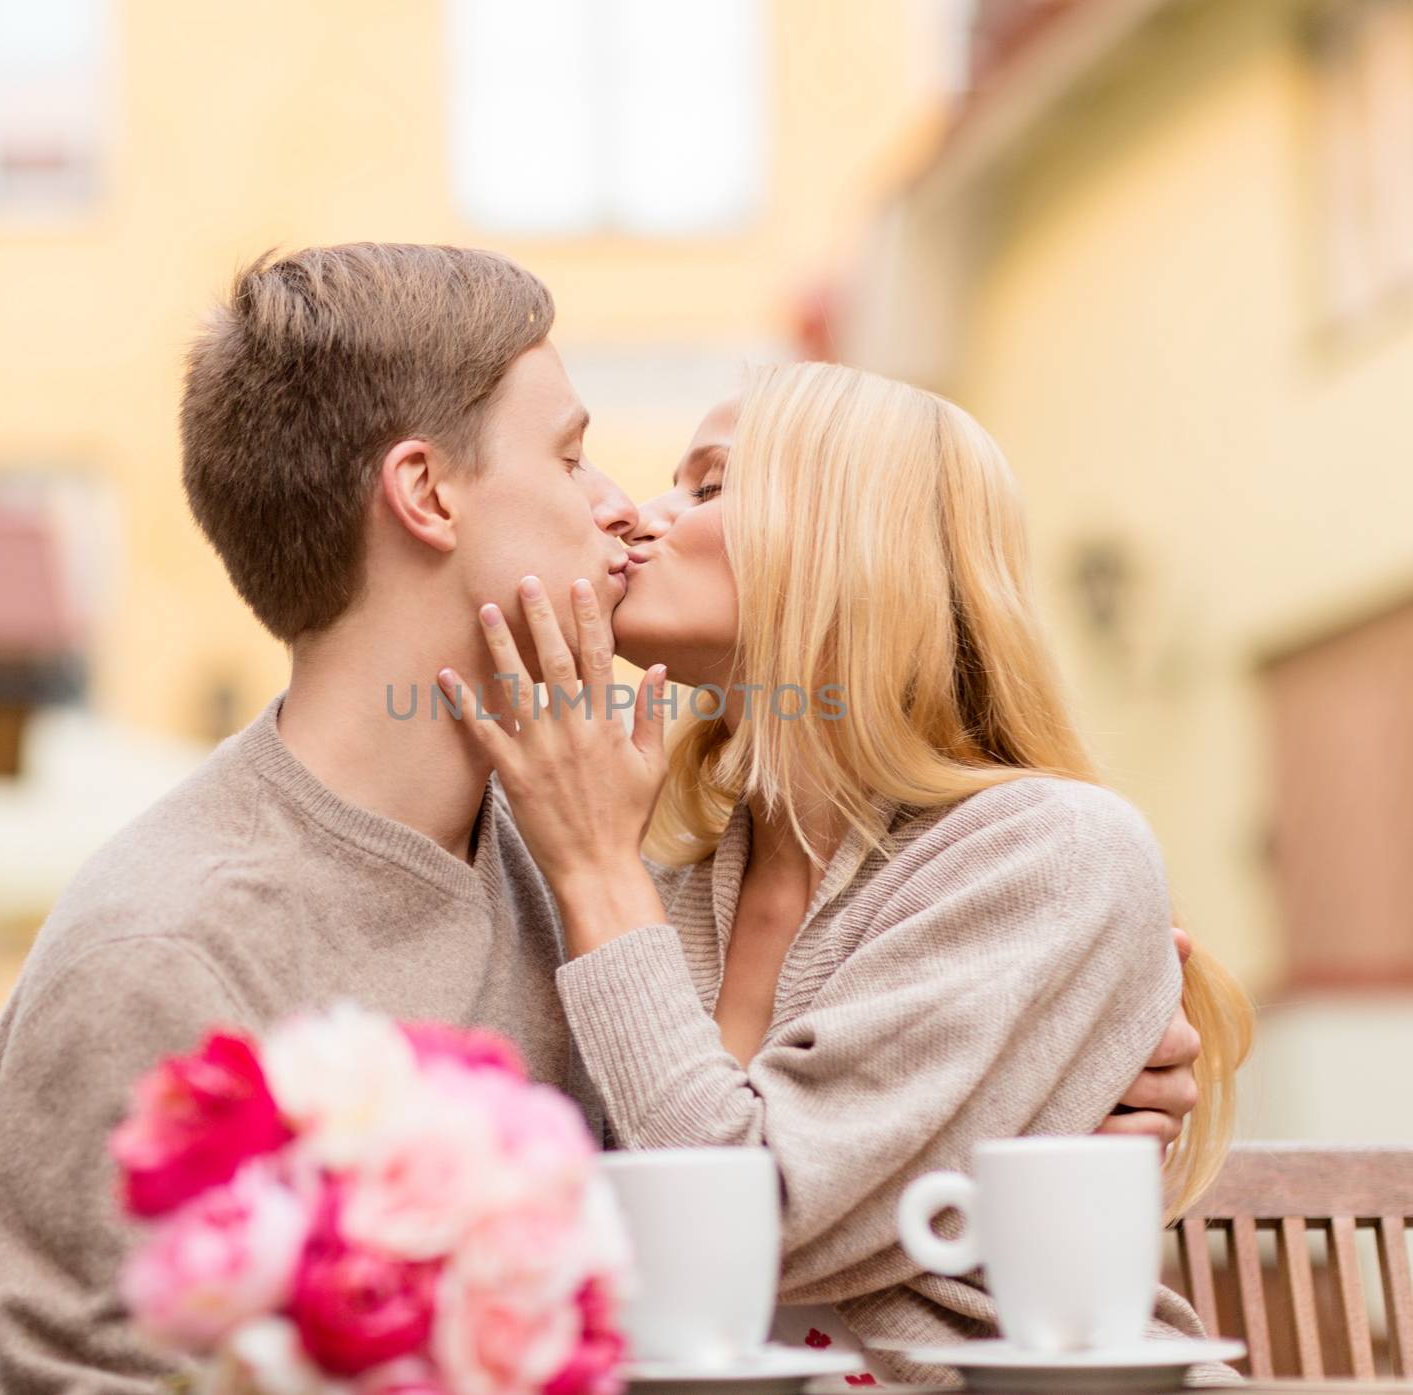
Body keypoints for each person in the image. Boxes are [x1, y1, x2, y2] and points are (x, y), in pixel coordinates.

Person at [0, 246, 1202, 1392]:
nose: (625, 512)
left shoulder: (592, 859)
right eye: (572, 458)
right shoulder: (168, 948)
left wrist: (1050, 1078)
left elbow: (762, 1146)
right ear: (426, 496)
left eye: (701, 484)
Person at [435, 362, 1253, 1384]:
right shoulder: (673, 881)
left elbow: (751, 1218)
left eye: (708, 485)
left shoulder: (1053, 851)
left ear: (846, 548)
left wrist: (597, 875)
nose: (637, 516)